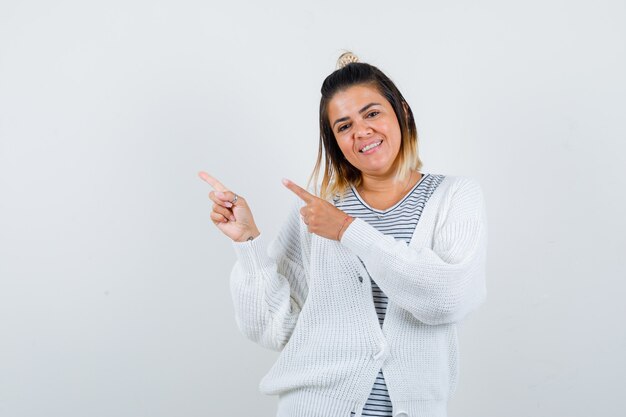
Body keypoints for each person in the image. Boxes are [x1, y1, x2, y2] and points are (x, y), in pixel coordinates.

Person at [198, 52, 488, 417]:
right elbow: (276, 329)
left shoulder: (454, 196)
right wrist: (248, 243)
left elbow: (448, 299)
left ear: (402, 111)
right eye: (344, 126)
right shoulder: (317, 208)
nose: (362, 132)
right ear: (335, 140)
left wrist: (349, 231)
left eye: (372, 113)